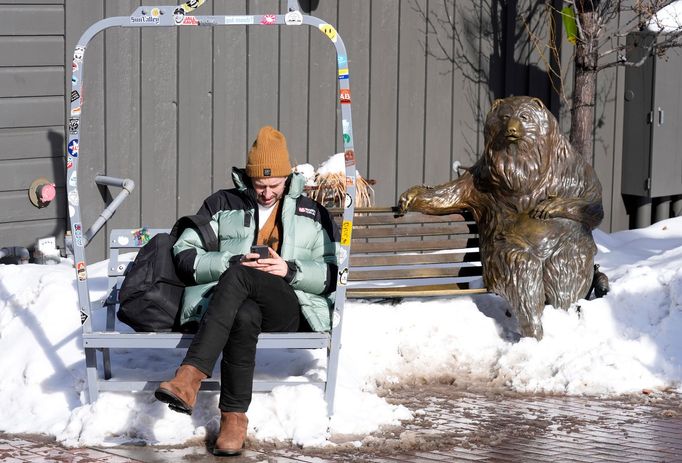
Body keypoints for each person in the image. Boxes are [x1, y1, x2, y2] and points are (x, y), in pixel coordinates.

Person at [154, 126, 339, 456]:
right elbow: (185, 254)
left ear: (288, 177)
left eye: (274, 185)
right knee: (243, 308)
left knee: (240, 277)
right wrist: (230, 260)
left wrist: (289, 269)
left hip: (288, 305)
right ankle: (233, 421)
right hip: (231, 308)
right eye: (259, 185)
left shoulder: (312, 213)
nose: (267, 193)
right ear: (248, 178)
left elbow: (332, 274)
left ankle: (189, 378)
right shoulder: (222, 204)